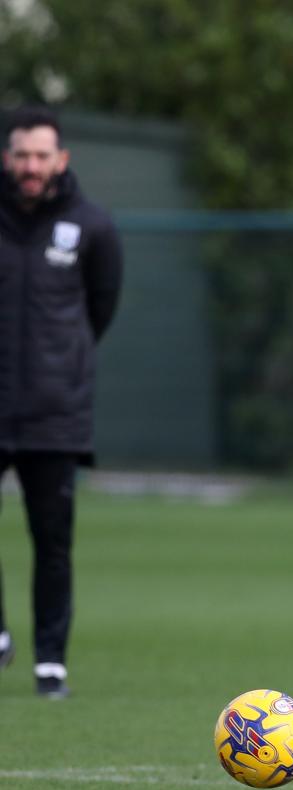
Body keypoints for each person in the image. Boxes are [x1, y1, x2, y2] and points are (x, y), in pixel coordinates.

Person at [0, 105, 123, 698]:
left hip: (54, 411)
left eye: (41, 155)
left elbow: (100, 309)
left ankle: (51, 661)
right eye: (21, 154)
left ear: (61, 159)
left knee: (52, 540)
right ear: (8, 157)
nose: (30, 165)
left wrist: (60, 366)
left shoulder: (92, 226)